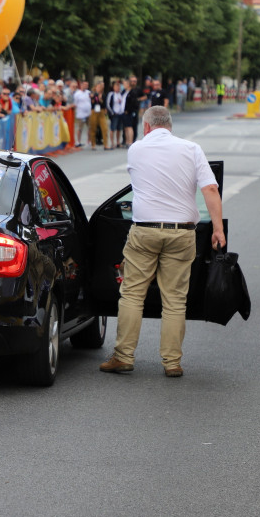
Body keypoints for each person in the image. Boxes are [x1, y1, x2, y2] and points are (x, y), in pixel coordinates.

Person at [100, 106, 225, 377]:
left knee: (133, 293)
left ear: (146, 127)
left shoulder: (136, 149)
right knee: (175, 299)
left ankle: (123, 356)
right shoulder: (192, 149)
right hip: (182, 232)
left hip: (144, 231)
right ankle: (172, 363)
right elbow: (210, 189)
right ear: (170, 126)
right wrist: (218, 229)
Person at [88, 81, 110, 150]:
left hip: (101, 111)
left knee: (104, 128)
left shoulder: (103, 94)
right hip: (94, 111)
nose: (101, 88)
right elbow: (92, 100)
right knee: (93, 128)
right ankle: (93, 144)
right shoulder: (92, 93)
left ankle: (105, 145)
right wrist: (96, 96)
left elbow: (104, 103)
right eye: (99, 86)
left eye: (102, 86)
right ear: (96, 87)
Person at [106, 79, 126, 149]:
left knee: (119, 129)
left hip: (121, 113)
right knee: (113, 128)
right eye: (116, 86)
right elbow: (108, 104)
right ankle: (112, 142)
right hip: (114, 114)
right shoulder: (111, 94)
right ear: (113, 87)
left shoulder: (121, 94)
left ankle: (118, 142)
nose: (118, 88)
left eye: (119, 86)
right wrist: (112, 112)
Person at [71, 80, 91, 148]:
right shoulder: (77, 94)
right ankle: (78, 141)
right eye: (85, 85)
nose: (86, 86)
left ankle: (89, 141)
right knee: (80, 128)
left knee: (89, 127)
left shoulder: (88, 93)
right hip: (81, 113)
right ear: (81, 85)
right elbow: (75, 103)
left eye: (87, 85)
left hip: (88, 113)